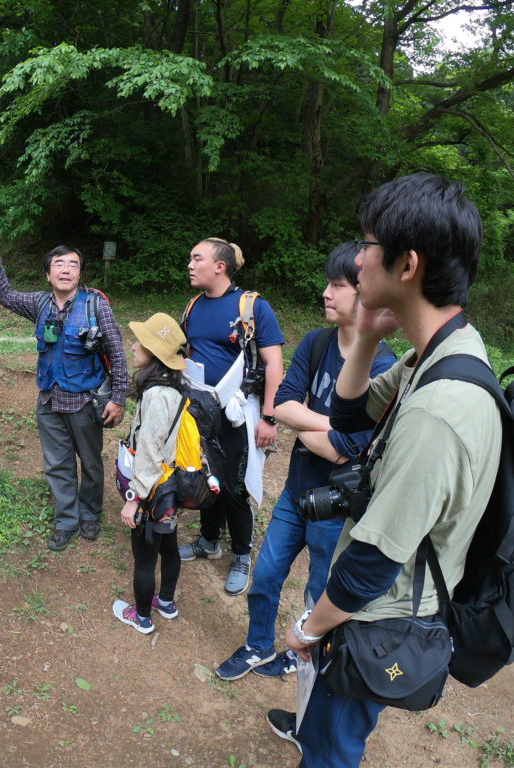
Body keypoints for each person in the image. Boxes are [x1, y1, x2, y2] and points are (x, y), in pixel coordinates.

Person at [266, 173, 503, 767]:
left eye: (367, 245)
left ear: (407, 265)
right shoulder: (437, 353)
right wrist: (368, 337)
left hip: (381, 619)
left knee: (331, 748)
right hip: (370, 605)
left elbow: (374, 562)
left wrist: (309, 627)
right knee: (322, 732)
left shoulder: (440, 409)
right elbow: (350, 414)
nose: (357, 258)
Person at [215, 243, 396, 680]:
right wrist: (329, 427)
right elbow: (282, 406)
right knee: (266, 575)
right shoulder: (317, 343)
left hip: (336, 504)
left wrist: (314, 427)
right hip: (296, 490)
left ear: (364, 292)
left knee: (320, 591)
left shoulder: (386, 364)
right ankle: (258, 645)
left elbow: (347, 448)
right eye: (328, 284)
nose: (326, 294)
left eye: (337, 286)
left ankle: (306, 659)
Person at [0, 233, 129, 551]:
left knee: (90, 462)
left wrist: (118, 399)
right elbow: (5, 295)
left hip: (85, 401)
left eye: (73, 265)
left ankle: (90, 514)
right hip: (48, 398)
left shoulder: (94, 305)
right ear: (48, 273)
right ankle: (66, 521)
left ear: (80, 274)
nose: (66, 269)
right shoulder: (40, 303)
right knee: (58, 463)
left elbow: (116, 351)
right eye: (58, 264)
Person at [178, 238, 285, 595]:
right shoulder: (193, 306)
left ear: (219, 266)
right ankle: (209, 540)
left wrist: (269, 417)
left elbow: (273, 363)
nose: (190, 264)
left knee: (235, 487)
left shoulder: (252, 307)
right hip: (200, 413)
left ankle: (241, 553)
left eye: (197, 258)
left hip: (238, 415)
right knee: (204, 476)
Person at [111, 313, 190, 635]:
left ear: (155, 353)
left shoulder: (157, 396)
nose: (133, 346)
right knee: (168, 546)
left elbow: (149, 451)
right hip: (169, 485)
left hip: (153, 489)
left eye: (140, 342)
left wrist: (134, 498)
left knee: (144, 557)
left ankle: (142, 617)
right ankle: (166, 602)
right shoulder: (173, 387)